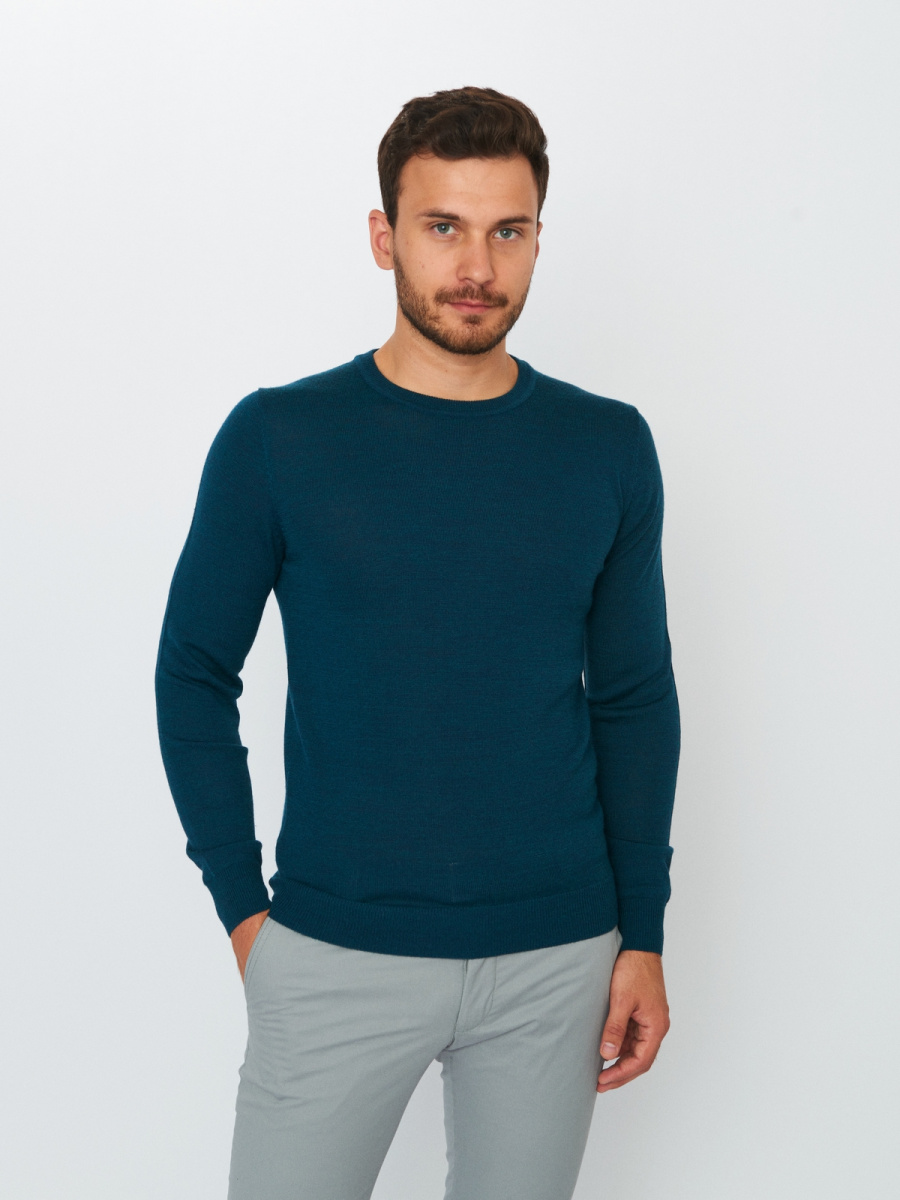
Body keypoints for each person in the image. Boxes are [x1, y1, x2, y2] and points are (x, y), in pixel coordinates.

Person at [155, 85, 680, 1200]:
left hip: (557, 957)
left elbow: (633, 696)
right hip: (334, 951)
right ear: (384, 236)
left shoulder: (606, 446)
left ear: (537, 237)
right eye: (444, 227)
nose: (476, 266)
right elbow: (194, 673)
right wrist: (247, 913)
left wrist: (642, 932)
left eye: (508, 231)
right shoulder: (279, 437)